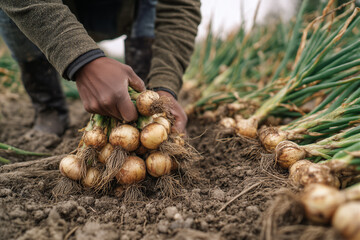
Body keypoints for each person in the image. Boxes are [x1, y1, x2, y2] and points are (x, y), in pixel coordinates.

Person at [0, 0, 201, 136]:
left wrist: (165, 85)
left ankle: (142, 110)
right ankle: (49, 108)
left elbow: (179, 5)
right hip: (51, 8)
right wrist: (81, 59)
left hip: (125, 9)